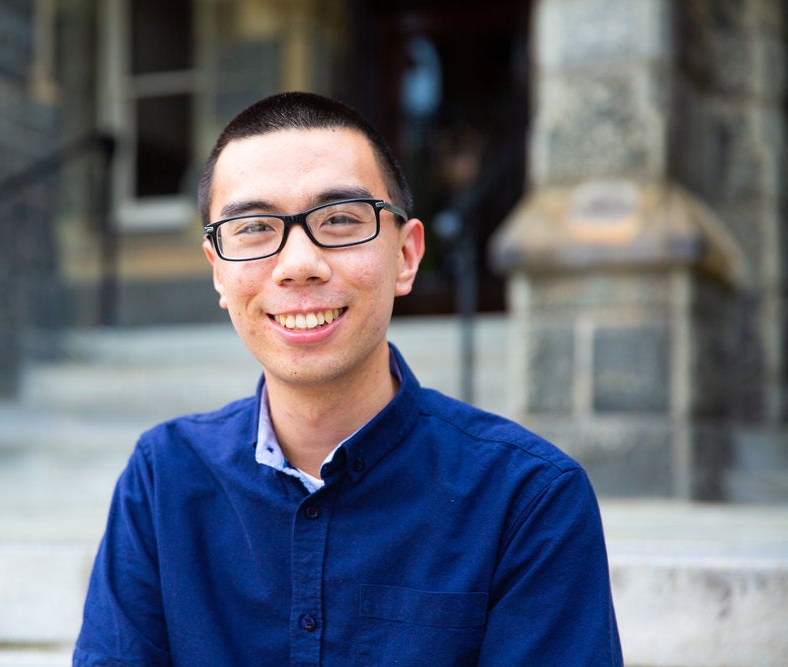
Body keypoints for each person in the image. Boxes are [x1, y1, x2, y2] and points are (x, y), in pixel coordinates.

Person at [73, 91, 623, 666]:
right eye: (253, 227)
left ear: (407, 256)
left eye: (338, 220)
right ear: (218, 270)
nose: (298, 264)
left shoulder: (528, 500)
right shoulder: (165, 476)